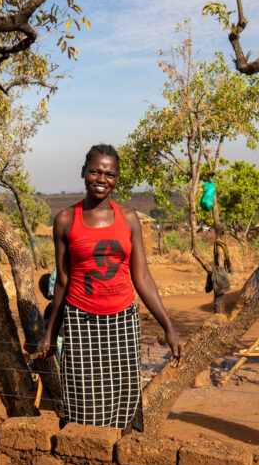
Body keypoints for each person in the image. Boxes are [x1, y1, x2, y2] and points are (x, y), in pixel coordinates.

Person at [36, 144, 183, 434]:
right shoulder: (65, 220)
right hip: (80, 321)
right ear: (83, 172)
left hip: (123, 321)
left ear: (117, 179)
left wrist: (169, 326)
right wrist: (51, 333)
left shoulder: (129, 219)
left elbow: (142, 277)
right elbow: (63, 282)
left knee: (124, 398)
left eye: (109, 174)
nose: (102, 179)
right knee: (82, 399)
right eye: (95, 171)